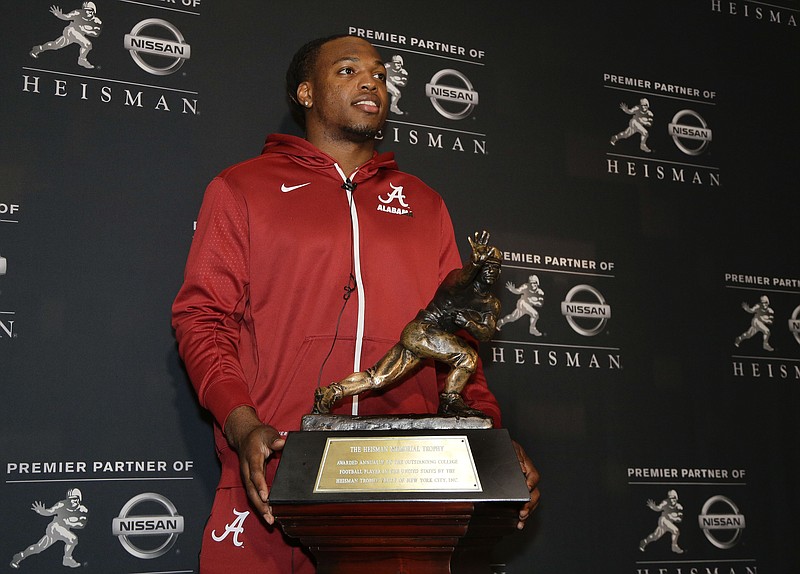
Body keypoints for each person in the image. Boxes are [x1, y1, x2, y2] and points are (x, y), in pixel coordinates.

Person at [172, 34, 539, 573]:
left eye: (380, 73)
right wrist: (241, 422)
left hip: (405, 485)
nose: (372, 81)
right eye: (347, 70)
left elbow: (455, 336)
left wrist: (489, 436)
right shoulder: (242, 188)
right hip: (277, 471)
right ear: (305, 92)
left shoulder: (425, 203)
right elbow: (202, 319)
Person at [313, 230, 502, 418]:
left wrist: (468, 323)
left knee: (377, 378)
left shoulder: (490, 304)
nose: (491, 272)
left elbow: (486, 332)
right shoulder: (457, 283)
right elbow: (462, 279)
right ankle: (450, 401)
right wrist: (474, 263)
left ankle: (331, 393)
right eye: (487, 267)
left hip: (426, 341)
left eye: (495, 268)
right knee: (467, 357)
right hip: (421, 331)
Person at [10, 488, 88, 569]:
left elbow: (81, 524)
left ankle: (20, 556)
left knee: (38, 547)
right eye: (70, 499)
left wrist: (69, 523)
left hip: (64, 529)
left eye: (75, 499)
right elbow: (50, 511)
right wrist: (42, 511)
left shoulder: (83, 510)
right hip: (55, 527)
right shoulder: (62, 504)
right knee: (72, 539)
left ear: (79, 499)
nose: (72, 501)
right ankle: (67, 559)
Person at [30, 3, 102, 70]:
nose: (88, 12)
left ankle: (39, 48)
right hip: (71, 31)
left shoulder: (97, 21)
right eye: (86, 10)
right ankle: (82, 60)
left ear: (94, 11)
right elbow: (67, 16)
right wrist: (59, 15)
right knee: (87, 44)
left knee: (55, 45)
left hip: (79, 35)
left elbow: (96, 34)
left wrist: (86, 30)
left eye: (90, 10)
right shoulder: (78, 13)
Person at [639, 489, 684, 554]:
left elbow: (680, 519)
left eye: (673, 498)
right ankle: (674, 546)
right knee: (676, 531)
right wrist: (654, 507)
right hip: (663, 520)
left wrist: (672, 518)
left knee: (655, 536)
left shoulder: (679, 507)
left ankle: (644, 541)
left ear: (676, 498)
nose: (672, 500)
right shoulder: (665, 502)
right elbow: (659, 508)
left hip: (669, 523)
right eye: (670, 498)